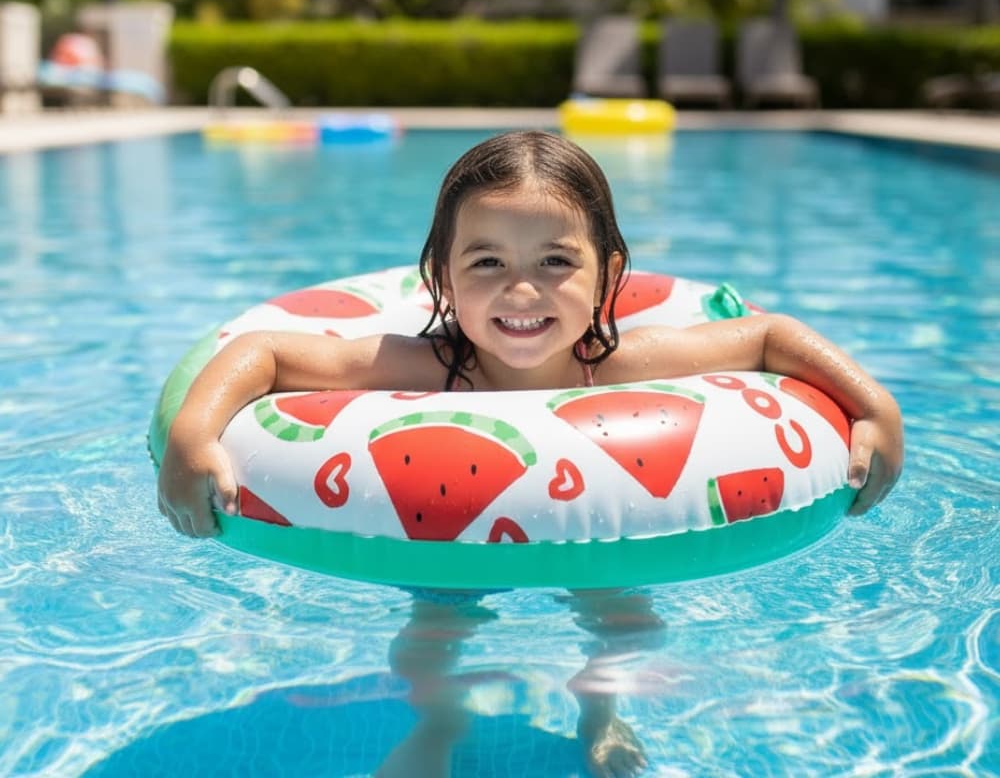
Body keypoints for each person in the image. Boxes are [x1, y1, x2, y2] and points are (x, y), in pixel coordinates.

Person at [158, 130, 903, 776]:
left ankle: (599, 707)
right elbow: (264, 353)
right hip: (451, 545)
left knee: (632, 627)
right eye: (486, 263)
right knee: (428, 643)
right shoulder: (429, 364)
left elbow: (769, 337)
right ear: (441, 279)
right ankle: (440, 722)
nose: (521, 291)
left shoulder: (619, 364)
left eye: (555, 262)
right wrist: (193, 435)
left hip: (604, 535)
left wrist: (874, 408)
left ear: (608, 277)